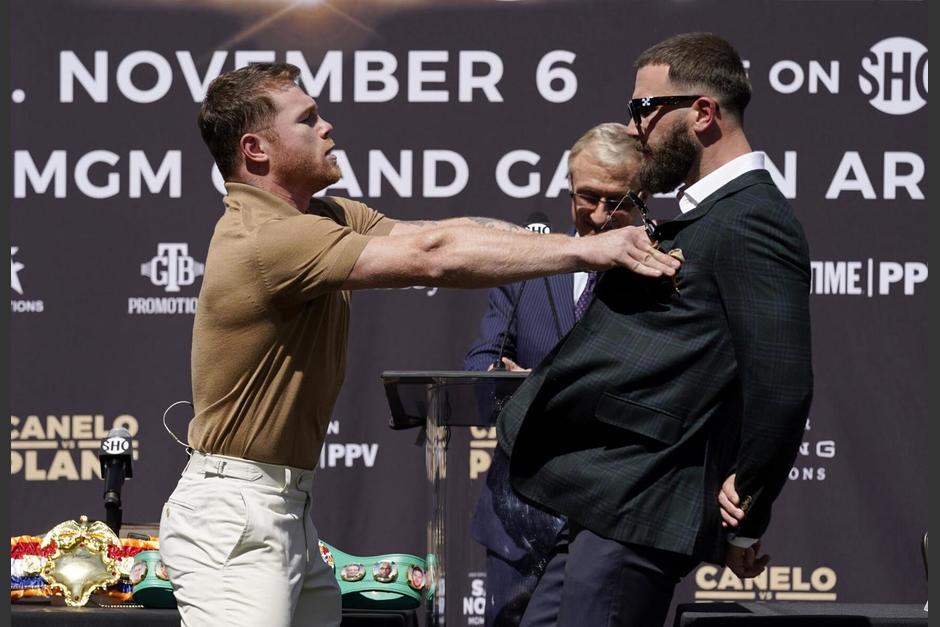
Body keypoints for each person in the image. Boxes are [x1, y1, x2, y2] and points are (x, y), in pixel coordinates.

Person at [157, 62, 680, 627]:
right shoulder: (269, 239)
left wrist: (571, 242)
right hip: (236, 514)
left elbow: (439, 232)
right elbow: (433, 255)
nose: (327, 126)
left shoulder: (325, 216)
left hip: (283, 508)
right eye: (307, 120)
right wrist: (586, 250)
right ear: (256, 150)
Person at [496, 32, 814, 627]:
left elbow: (780, 384)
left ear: (702, 113)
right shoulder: (711, 216)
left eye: (644, 107)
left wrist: (746, 508)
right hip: (602, 503)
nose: (632, 126)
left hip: (640, 508)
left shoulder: (753, 219)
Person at [464, 123, 644, 626]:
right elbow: (479, 366)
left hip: (608, 520)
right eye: (588, 197)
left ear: (643, 198)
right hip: (518, 521)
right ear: (569, 189)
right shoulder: (528, 270)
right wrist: (499, 377)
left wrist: (545, 382)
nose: (601, 215)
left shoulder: (658, 279)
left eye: (617, 201)